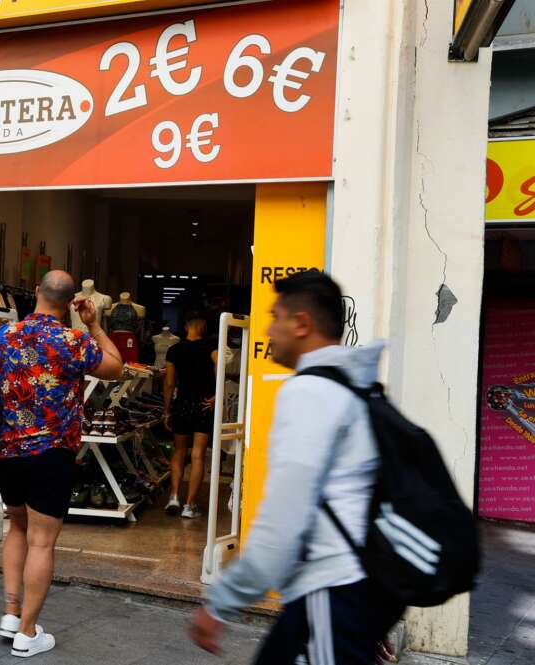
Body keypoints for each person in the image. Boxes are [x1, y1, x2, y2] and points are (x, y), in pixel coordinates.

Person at [190, 270, 405, 663]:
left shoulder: (310, 393)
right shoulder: (357, 384)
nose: (269, 329)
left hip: (332, 593)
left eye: (276, 317)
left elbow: (283, 521)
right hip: (353, 592)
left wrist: (220, 603)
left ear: (302, 323)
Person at [0, 270, 124, 658]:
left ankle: (11, 614)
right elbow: (115, 366)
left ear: (37, 293)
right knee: (42, 541)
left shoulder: (0, 337)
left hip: (7, 451)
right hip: (52, 451)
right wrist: (94, 324)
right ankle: (28, 632)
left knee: (17, 528)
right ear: (72, 302)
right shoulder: (73, 340)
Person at [162, 310, 219, 519]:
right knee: (197, 455)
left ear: (186, 326)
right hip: (204, 406)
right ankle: (189, 505)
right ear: (203, 325)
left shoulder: (174, 350)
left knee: (179, 452)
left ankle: (174, 496)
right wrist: (217, 396)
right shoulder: (212, 348)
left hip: (182, 405)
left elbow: (169, 384)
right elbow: (221, 372)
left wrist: (166, 410)